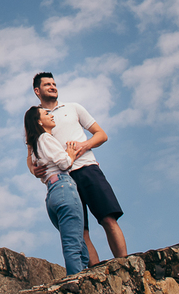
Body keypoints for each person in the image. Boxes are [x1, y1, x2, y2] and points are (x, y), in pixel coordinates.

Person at [27, 72, 127, 265]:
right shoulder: (35, 117)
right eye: (47, 84)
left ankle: (125, 265)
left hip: (87, 168)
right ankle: (97, 273)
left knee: (108, 218)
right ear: (37, 91)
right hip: (63, 180)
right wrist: (33, 170)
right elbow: (30, 153)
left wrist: (85, 145)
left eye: (54, 83)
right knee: (81, 232)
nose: (53, 86)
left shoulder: (73, 108)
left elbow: (101, 134)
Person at [24, 105, 88, 275]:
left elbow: (34, 165)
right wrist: (71, 152)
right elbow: (65, 163)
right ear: (39, 121)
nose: (51, 115)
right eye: (46, 114)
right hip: (63, 187)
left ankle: (83, 280)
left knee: (78, 244)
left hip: (52, 193)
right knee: (74, 246)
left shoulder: (37, 144)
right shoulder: (45, 138)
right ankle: (77, 284)